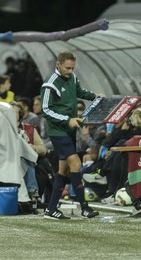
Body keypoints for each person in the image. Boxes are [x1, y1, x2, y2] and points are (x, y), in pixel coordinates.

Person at [41, 50, 101, 220]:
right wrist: (67, 120)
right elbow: (46, 110)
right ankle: (85, 207)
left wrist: (94, 96)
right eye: (67, 68)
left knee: (64, 171)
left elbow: (79, 91)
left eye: (72, 68)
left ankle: (51, 209)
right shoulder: (49, 84)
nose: (70, 71)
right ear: (58, 65)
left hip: (68, 131)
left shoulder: (72, 78)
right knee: (75, 164)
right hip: (57, 131)